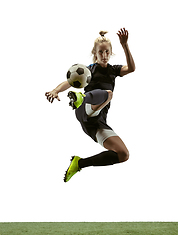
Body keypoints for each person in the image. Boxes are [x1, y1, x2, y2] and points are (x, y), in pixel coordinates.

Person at [45, 28, 135, 182]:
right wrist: (55, 90)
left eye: (107, 52)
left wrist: (125, 45)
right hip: (83, 110)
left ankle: (79, 163)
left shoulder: (114, 70)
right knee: (108, 93)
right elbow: (69, 82)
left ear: (111, 52)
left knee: (123, 154)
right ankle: (81, 98)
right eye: (101, 52)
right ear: (95, 53)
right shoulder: (88, 70)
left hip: (96, 122)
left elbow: (132, 68)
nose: (104, 55)